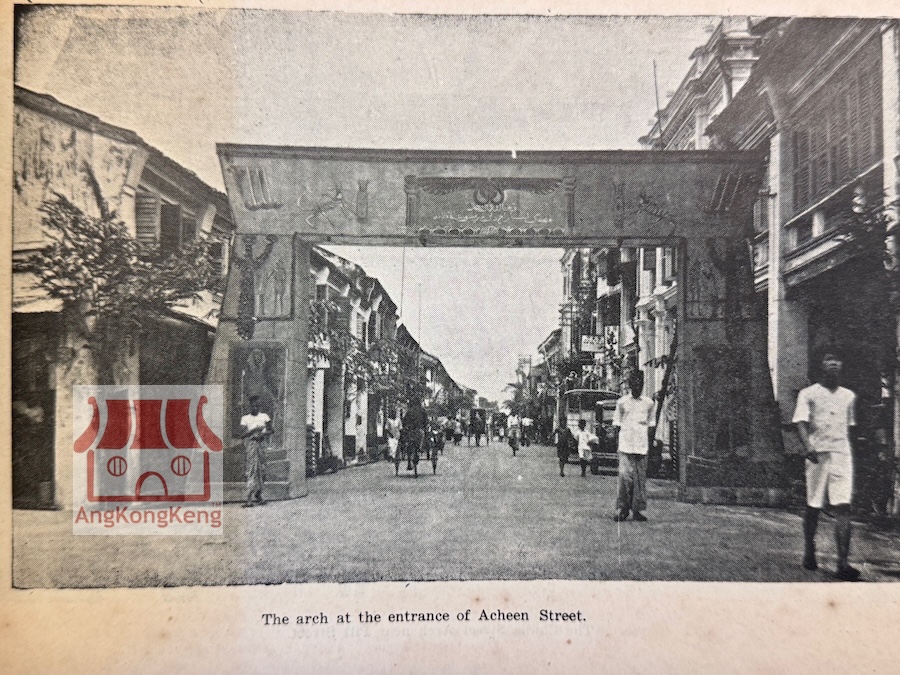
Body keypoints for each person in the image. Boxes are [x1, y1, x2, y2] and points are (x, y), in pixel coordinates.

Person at [792, 351, 861, 581]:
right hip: (817, 455)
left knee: (843, 506)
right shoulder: (808, 394)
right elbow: (800, 422)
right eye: (828, 359)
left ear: (842, 365)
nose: (833, 363)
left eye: (837, 359)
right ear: (820, 365)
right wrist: (808, 446)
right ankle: (809, 550)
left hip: (841, 454)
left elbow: (849, 427)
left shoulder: (848, 396)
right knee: (813, 505)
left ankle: (843, 563)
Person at [613, 370, 656, 522]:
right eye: (634, 384)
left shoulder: (649, 403)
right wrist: (617, 443)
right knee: (624, 477)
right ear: (630, 385)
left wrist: (650, 444)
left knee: (639, 480)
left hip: (641, 446)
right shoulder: (622, 402)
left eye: (640, 384)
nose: (637, 387)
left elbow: (651, 425)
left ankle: (637, 510)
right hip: (626, 445)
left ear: (643, 384)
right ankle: (623, 508)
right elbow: (617, 424)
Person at [240, 395, 273, 507]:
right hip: (251, 446)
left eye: (257, 406)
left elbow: (271, 430)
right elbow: (243, 435)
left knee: (262, 470)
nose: (255, 408)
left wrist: (262, 434)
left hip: (262, 445)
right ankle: (249, 498)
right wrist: (254, 430)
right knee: (252, 470)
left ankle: (258, 495)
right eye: (253, 406)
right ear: (250, 406)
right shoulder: (245, 418)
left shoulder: (264, 416)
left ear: (260, 406)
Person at [402, 397, 428, 470]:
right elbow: (426, 421)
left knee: (407, 440)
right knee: (422, 435)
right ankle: (420, 448)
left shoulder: (409, 411)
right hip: (419, 429)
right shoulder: (422, 410)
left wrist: (406, 427)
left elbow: (404, 421)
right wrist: (424, 426)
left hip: (410, 430)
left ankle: (406, 449)